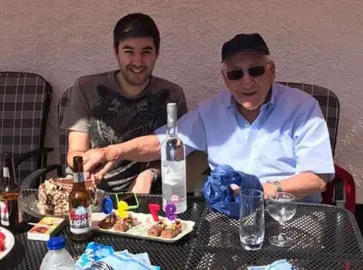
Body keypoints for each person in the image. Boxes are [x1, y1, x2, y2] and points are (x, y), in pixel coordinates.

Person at [81, 33, 335, 203]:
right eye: (236, 74)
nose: (246, 81)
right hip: (227, 214)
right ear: (225, 79)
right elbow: (163, 143)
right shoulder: (210, 110)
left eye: (255, 70)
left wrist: (259, 192)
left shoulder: (302, 107)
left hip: (289, 214)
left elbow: (316, 178)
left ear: (271, 71)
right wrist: (113, 151)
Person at [60, 13, 188, 194]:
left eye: (146, 52)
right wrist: (85, 171)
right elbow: (76, 151)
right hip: (89, 189)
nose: (137, 61)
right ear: (116, 51)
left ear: (157, 53)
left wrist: (151, 173)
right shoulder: (86, 87)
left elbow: (176, 153)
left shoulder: (172, 95)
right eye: (129, 51)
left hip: (144, 192)